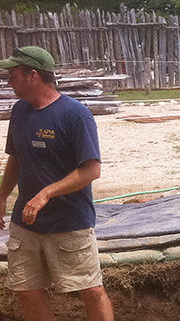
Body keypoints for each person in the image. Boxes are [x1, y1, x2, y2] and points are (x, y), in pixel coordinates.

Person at [0, 46, 114, 320]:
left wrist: (46, 194)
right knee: (26, 289)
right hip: (26, 224)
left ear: (33, 75)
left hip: (69, 223)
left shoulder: (76, 115)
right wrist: (2, 196)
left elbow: (91, 171)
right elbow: (15, 158)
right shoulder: (20, 111)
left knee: (90, 290)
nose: (8, 82)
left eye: (13, 75)